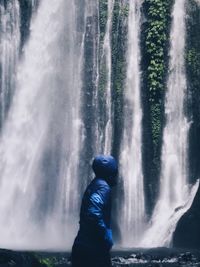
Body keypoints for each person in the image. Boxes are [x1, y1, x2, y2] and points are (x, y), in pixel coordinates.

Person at [71, 155, 118, 267]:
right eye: (115, 170)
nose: (117, 174)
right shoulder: (103, 187)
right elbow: (93, 213)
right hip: (93, 249)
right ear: (110, 172)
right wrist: (106, 237)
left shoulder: (95, 184)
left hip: (83, 246)